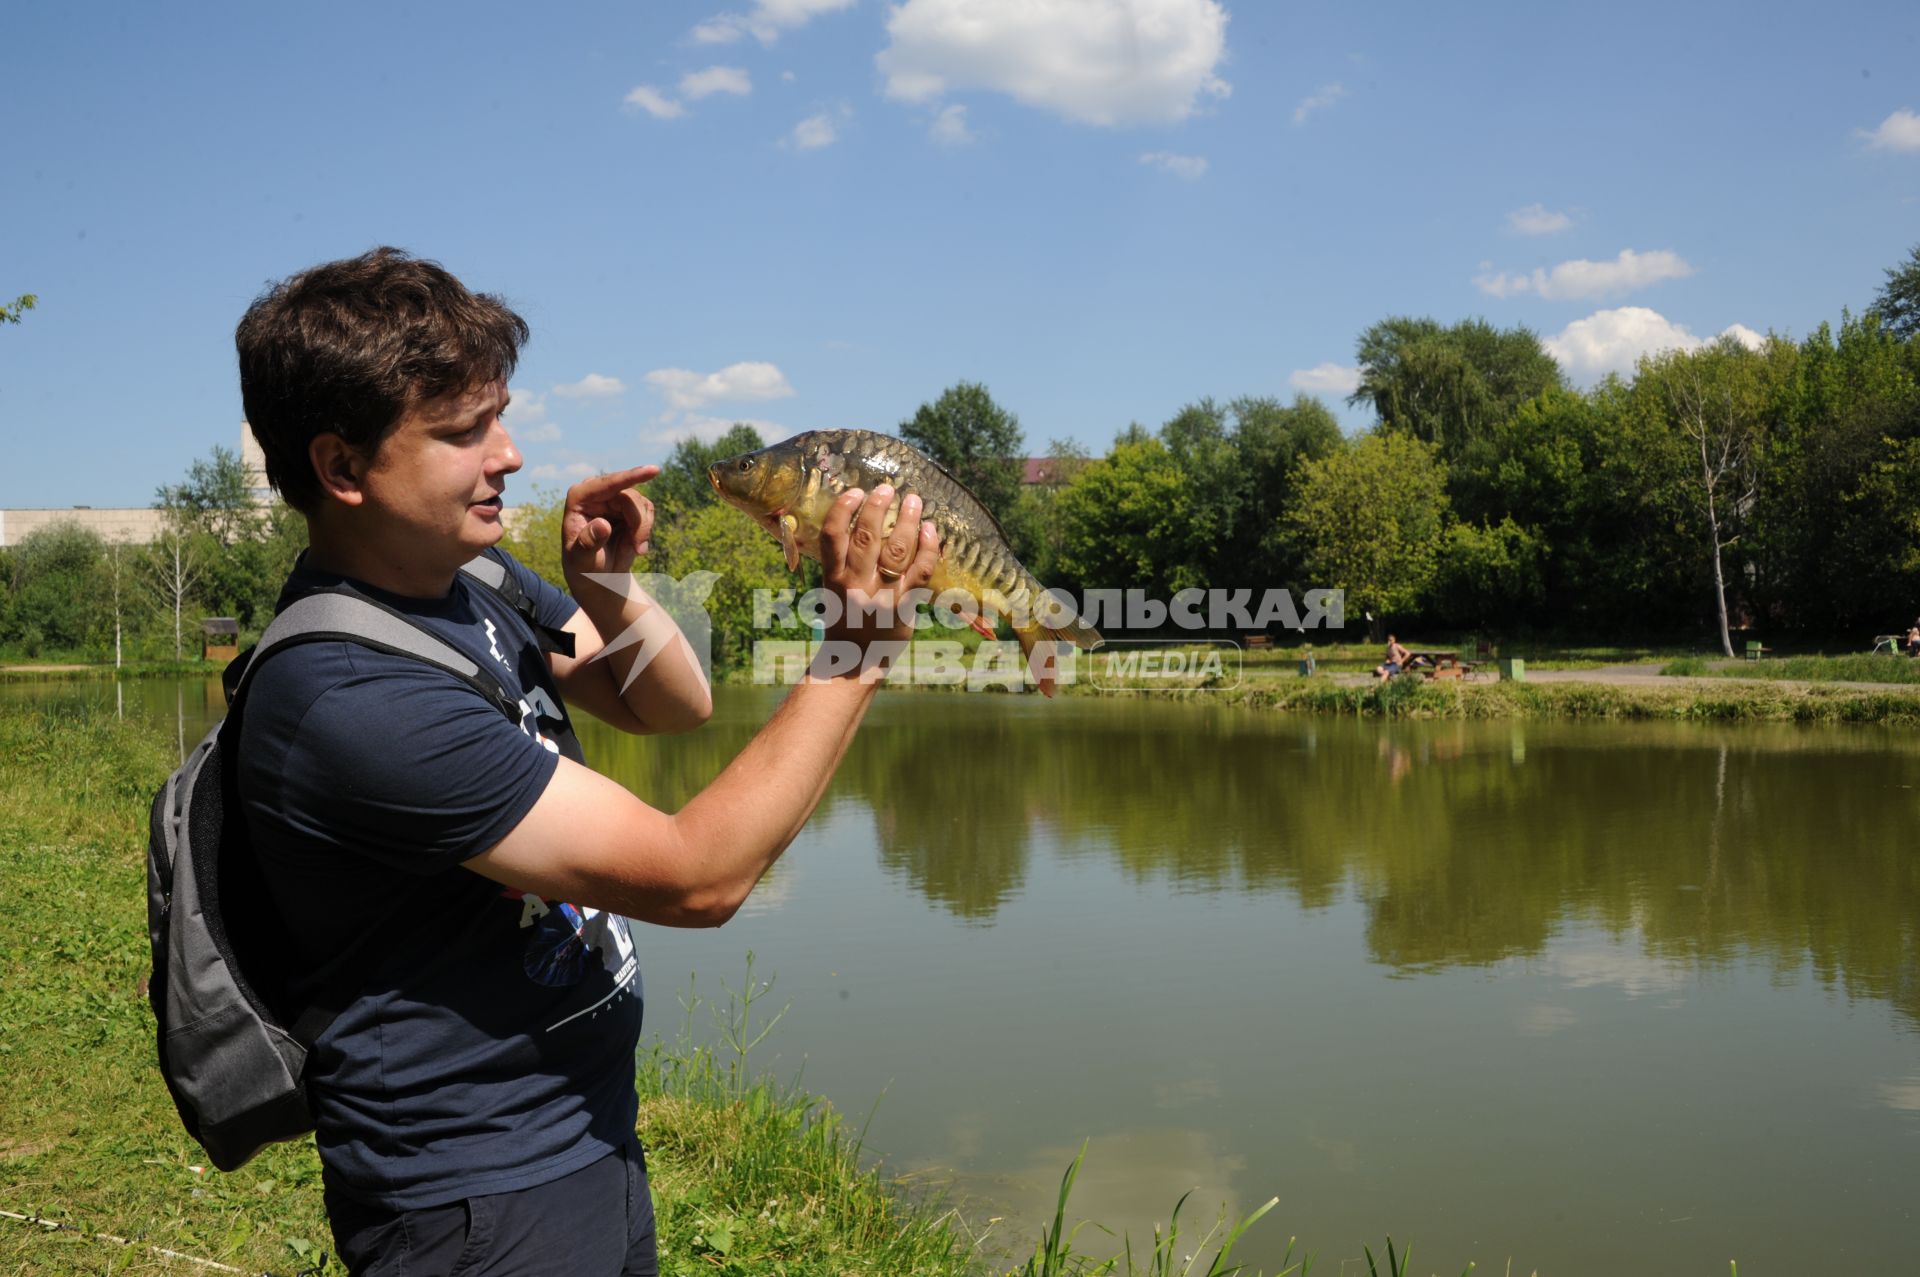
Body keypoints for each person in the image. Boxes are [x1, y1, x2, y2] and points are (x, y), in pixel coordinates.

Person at [231, 247, 940, 1276]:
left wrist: (607, 587)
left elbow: (672, 705)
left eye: (500, 416)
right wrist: (855, 655)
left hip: (581, 1129)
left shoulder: (473, 577)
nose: (509, 454)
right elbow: (697, 874)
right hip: (474, 1194)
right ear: (342, 468)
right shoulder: (348, 693)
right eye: (463, 431)